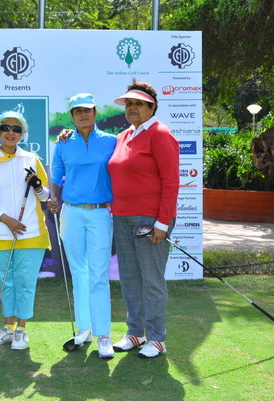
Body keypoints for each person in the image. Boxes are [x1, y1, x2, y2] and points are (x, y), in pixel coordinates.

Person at [108, 80, 180, 358]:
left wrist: (163, 223)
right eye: (129, 103)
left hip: (151, 220)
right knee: (129, 278)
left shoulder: (160, 134)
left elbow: (171, 182)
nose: (132, 108)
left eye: (139, 103)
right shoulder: (123, 136)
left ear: (152, 107)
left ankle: (157, 338)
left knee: (151, 279)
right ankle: (135, 333)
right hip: (121, 217)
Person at [47, 93, 117, 359]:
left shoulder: (111, 141)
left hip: (100, 213)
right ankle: (84, 328)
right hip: (71, 213)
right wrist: (54, 198)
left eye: (87, 110)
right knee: (79, 272)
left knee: (99, 274)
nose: (83, 115)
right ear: (72, 116)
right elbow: (56, 175)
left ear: (95, 112)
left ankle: (104, 335)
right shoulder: (63, 143)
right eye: (78, 111)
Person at [0, 111, 51, 351]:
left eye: (16, 129)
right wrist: (5, 219)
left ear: (22, 134)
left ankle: (21, 330)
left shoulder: (31, 159)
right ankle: (8, 328)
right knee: (6, 283)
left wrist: (37, 186)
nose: (11, 132)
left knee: (25, 283)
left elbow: (45, 196)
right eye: (6, 128)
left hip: (31, 234)